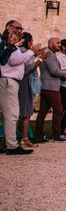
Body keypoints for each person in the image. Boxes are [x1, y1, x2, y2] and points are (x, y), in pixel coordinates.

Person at [0, 21, 41, 154]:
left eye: (21, 29)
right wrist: (31, 52)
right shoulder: (7, 44)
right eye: (17, 28)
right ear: (9, 28)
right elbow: (12, 61)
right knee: (11, 115)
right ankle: (12, 146)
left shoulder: (13, 46)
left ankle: (10, 143)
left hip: (11, 82)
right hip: (8, 81)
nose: (20, 31)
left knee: (10, 115)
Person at [36, 37, 66, 143]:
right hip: (51, 87)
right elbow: (54, 71)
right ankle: (57, 135)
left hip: (46, 86)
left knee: (42, 112)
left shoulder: (48, 53)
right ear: (51, 43)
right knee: (59, 110)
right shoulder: (50, 54)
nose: (60, 45)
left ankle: (38, 135)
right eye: (58, 43)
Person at [17, 33, 45, 149]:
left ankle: (21, 138)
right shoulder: (23, 51)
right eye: (31, 41)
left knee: (22, 112)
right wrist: (40, 60)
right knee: (26, 112)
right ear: (27, 42)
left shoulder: (20, 51)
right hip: (24, 84)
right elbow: (28, 69)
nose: (32, 44)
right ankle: (23, 139)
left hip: (21, 83)